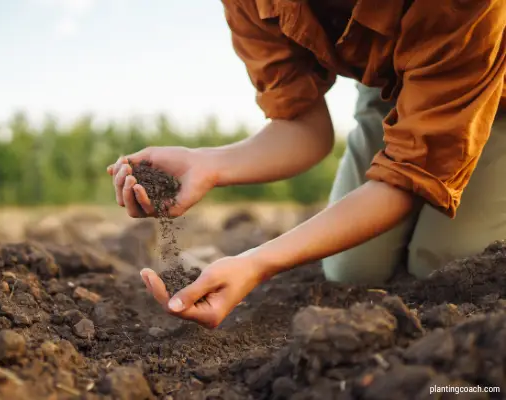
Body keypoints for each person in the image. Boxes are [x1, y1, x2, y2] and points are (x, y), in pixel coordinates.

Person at [107, 0, 506, 329]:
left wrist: (256, 263)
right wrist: (208, 163)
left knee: (448, 263)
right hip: (397, 83)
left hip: (488, 74)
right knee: (354, 270)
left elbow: (408, 177)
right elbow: (302, 126)